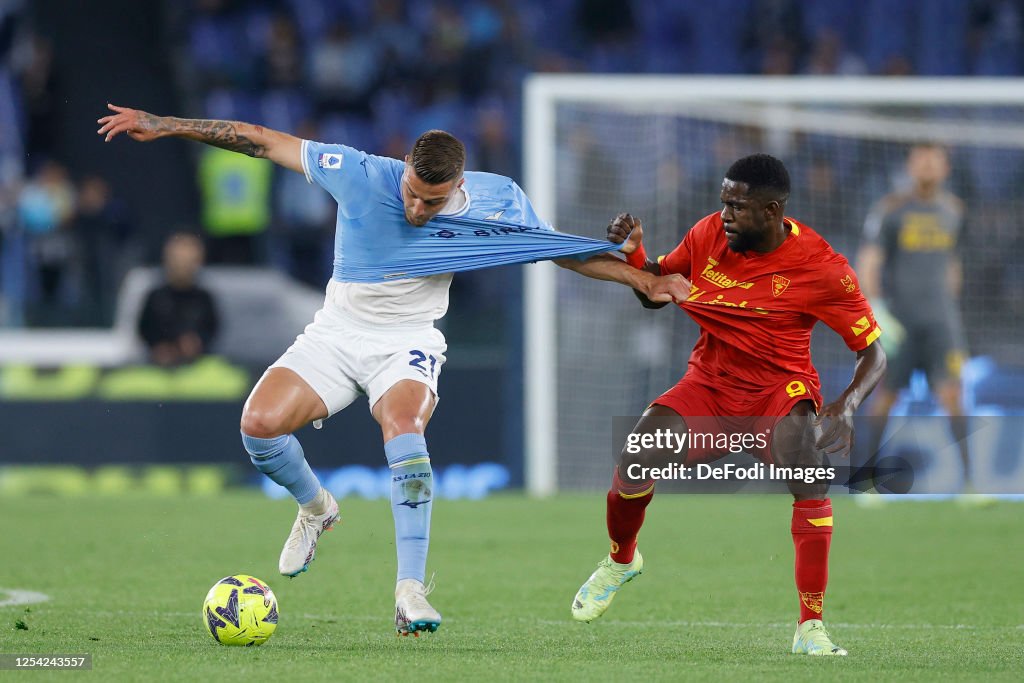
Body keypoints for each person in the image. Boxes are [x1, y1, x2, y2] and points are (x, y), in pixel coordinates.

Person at [97, 103, 690, 636]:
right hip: (335, 332)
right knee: (258, 427)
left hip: (408, 340)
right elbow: (260, 139)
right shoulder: (358, 172)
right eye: (411, 192)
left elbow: (557, 250)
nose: (415, 208)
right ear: (403, 167)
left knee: (404, 429)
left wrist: (641, 279)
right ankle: (316, 507)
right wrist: (167, 124)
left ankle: (410, 591)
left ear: (458, 186)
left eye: (432, 202)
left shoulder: (498, 198)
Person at [561, 154, 887, 656]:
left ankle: (810, 627)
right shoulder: (707, 233)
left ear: (772, 211)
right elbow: (655, 290)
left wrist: (846, 404)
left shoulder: (824, 268)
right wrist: (635, 252)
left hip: (777, 393)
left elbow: (873, 353)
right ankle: (622, 560)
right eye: (723, 203)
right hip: (709, 386)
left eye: (737, 206)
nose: (725, 215)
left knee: (810, 473)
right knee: (636, 456)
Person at [857, 143, 974, 492]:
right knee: (885, 396)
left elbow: (953, 263)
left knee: (953, 396)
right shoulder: (891, 209)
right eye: (920, 160)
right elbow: (869, 260)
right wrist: (877, 310)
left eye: (933, 160)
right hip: (900, 323)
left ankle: (969, 484)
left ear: (945, 168)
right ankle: (867, 481)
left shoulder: (955, 211)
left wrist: (949, 308)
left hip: (941, 323)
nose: (927, 166)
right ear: (909, 166)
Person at [138, 232, 220, 367]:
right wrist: (158, 347)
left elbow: (212, 329)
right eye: (178, 260)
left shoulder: (204, 298)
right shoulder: (156, 296)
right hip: (158, 365)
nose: (182, 266)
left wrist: (197, 342)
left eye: (188, 261)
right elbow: (144, 329)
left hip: (197, 364)